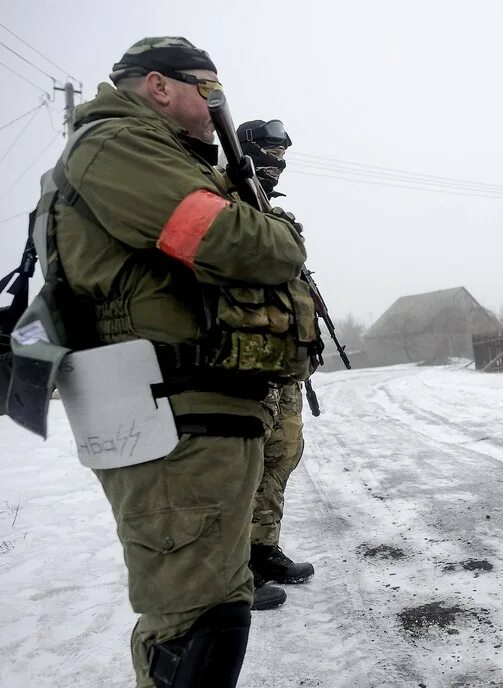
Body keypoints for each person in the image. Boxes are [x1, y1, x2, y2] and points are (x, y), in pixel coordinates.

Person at [52, 37, 316, 686]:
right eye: (210, 89)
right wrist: (279, 234)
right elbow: (232, 240)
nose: (217, 104)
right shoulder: (116, 145)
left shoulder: (166, 155)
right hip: (167, 412)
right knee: (195, 632)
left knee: (215, 616)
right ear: (160, 87)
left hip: (195, 410)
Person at [234, 119, 315, 607]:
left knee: (283, 454)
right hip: (247, 362)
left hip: (283, 362)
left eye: (281, 154)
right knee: (242, 466)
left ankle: (263, 549)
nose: (276, 162)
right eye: (266, 151)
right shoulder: (232, 207)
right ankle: (233, 568)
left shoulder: (274, 214)